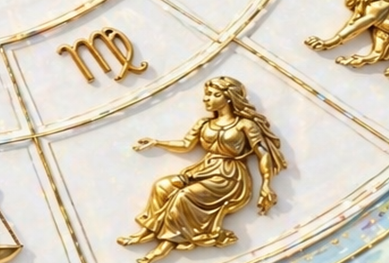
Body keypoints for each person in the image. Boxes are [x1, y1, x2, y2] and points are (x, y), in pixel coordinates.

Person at [117, 77, 285, 263]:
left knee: (184, 196)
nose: (206, 98)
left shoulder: (245, 125)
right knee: (162, 186)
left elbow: (263, 153)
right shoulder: (204, 123)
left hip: (229, 177)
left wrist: (266, 185)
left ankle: (166, 244)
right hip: (203, 170)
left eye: (213, 94)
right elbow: (186, 144)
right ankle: (147, 232)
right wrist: (157, 143)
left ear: (228, 97)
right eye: (207, 94)